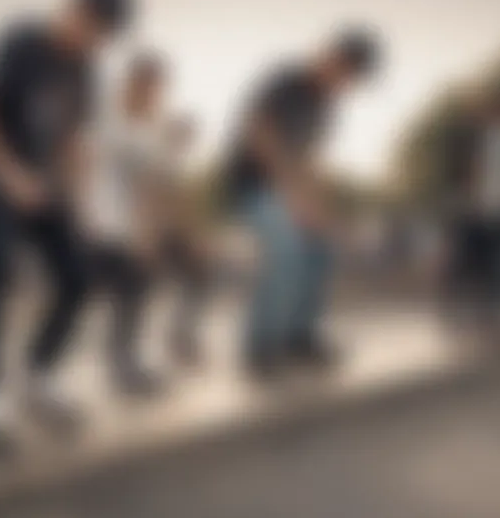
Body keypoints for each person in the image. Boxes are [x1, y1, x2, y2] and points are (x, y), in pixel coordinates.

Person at [0, 0, 136, 448]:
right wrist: (9, 175)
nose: (95, 42)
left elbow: (75, 144)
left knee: (79, 275)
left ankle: (38, 376)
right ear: (72, 8)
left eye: (105, 36)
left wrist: (81, 209)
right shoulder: (21, 40)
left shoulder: (85, 71)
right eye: (92, 27)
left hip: (42, 178)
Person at [223, 29, 381, 378]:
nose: (345, 87)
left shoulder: (326, 108)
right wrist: (292, 197)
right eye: (346, 76)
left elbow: (311, 162)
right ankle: (261, 346)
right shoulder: (286, 81)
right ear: (333, 60)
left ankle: (300, 338)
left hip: (289, 189)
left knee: (322, 247)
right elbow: (260, 135)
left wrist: (324, 213)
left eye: (352, 82)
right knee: (287, 248)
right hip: (252, 186)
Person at [80, 52, 171, 397]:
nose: (151, 95)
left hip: (131, 232)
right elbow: (82, 166)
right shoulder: (104, 121)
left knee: (133, 297)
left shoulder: (151, 132)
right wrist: (81, 215)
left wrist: (148, 233)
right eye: (145, 86)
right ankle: (41, 366)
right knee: (76, 294)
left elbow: (150, 187)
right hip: (97, 225)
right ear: (130, 85)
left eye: (156, 90)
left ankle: (125, 364)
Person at [441, 88, 500, 349]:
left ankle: (491, 321)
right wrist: (474, 203)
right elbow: (473, 174)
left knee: (496, 268)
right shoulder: (484, 139)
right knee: (485, 268)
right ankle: (482, 321)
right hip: (483, 212)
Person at [156, 114, 211, 366]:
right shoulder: (164, 162)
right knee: (197, 281)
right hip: (165, 235)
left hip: (173, 235)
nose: (188, 142)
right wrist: (192, 238)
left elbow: (186, 206)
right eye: (185, 135)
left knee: (198, 282)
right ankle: (179, 340)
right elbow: (173, 205)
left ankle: (180, 338)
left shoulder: (175, 163)